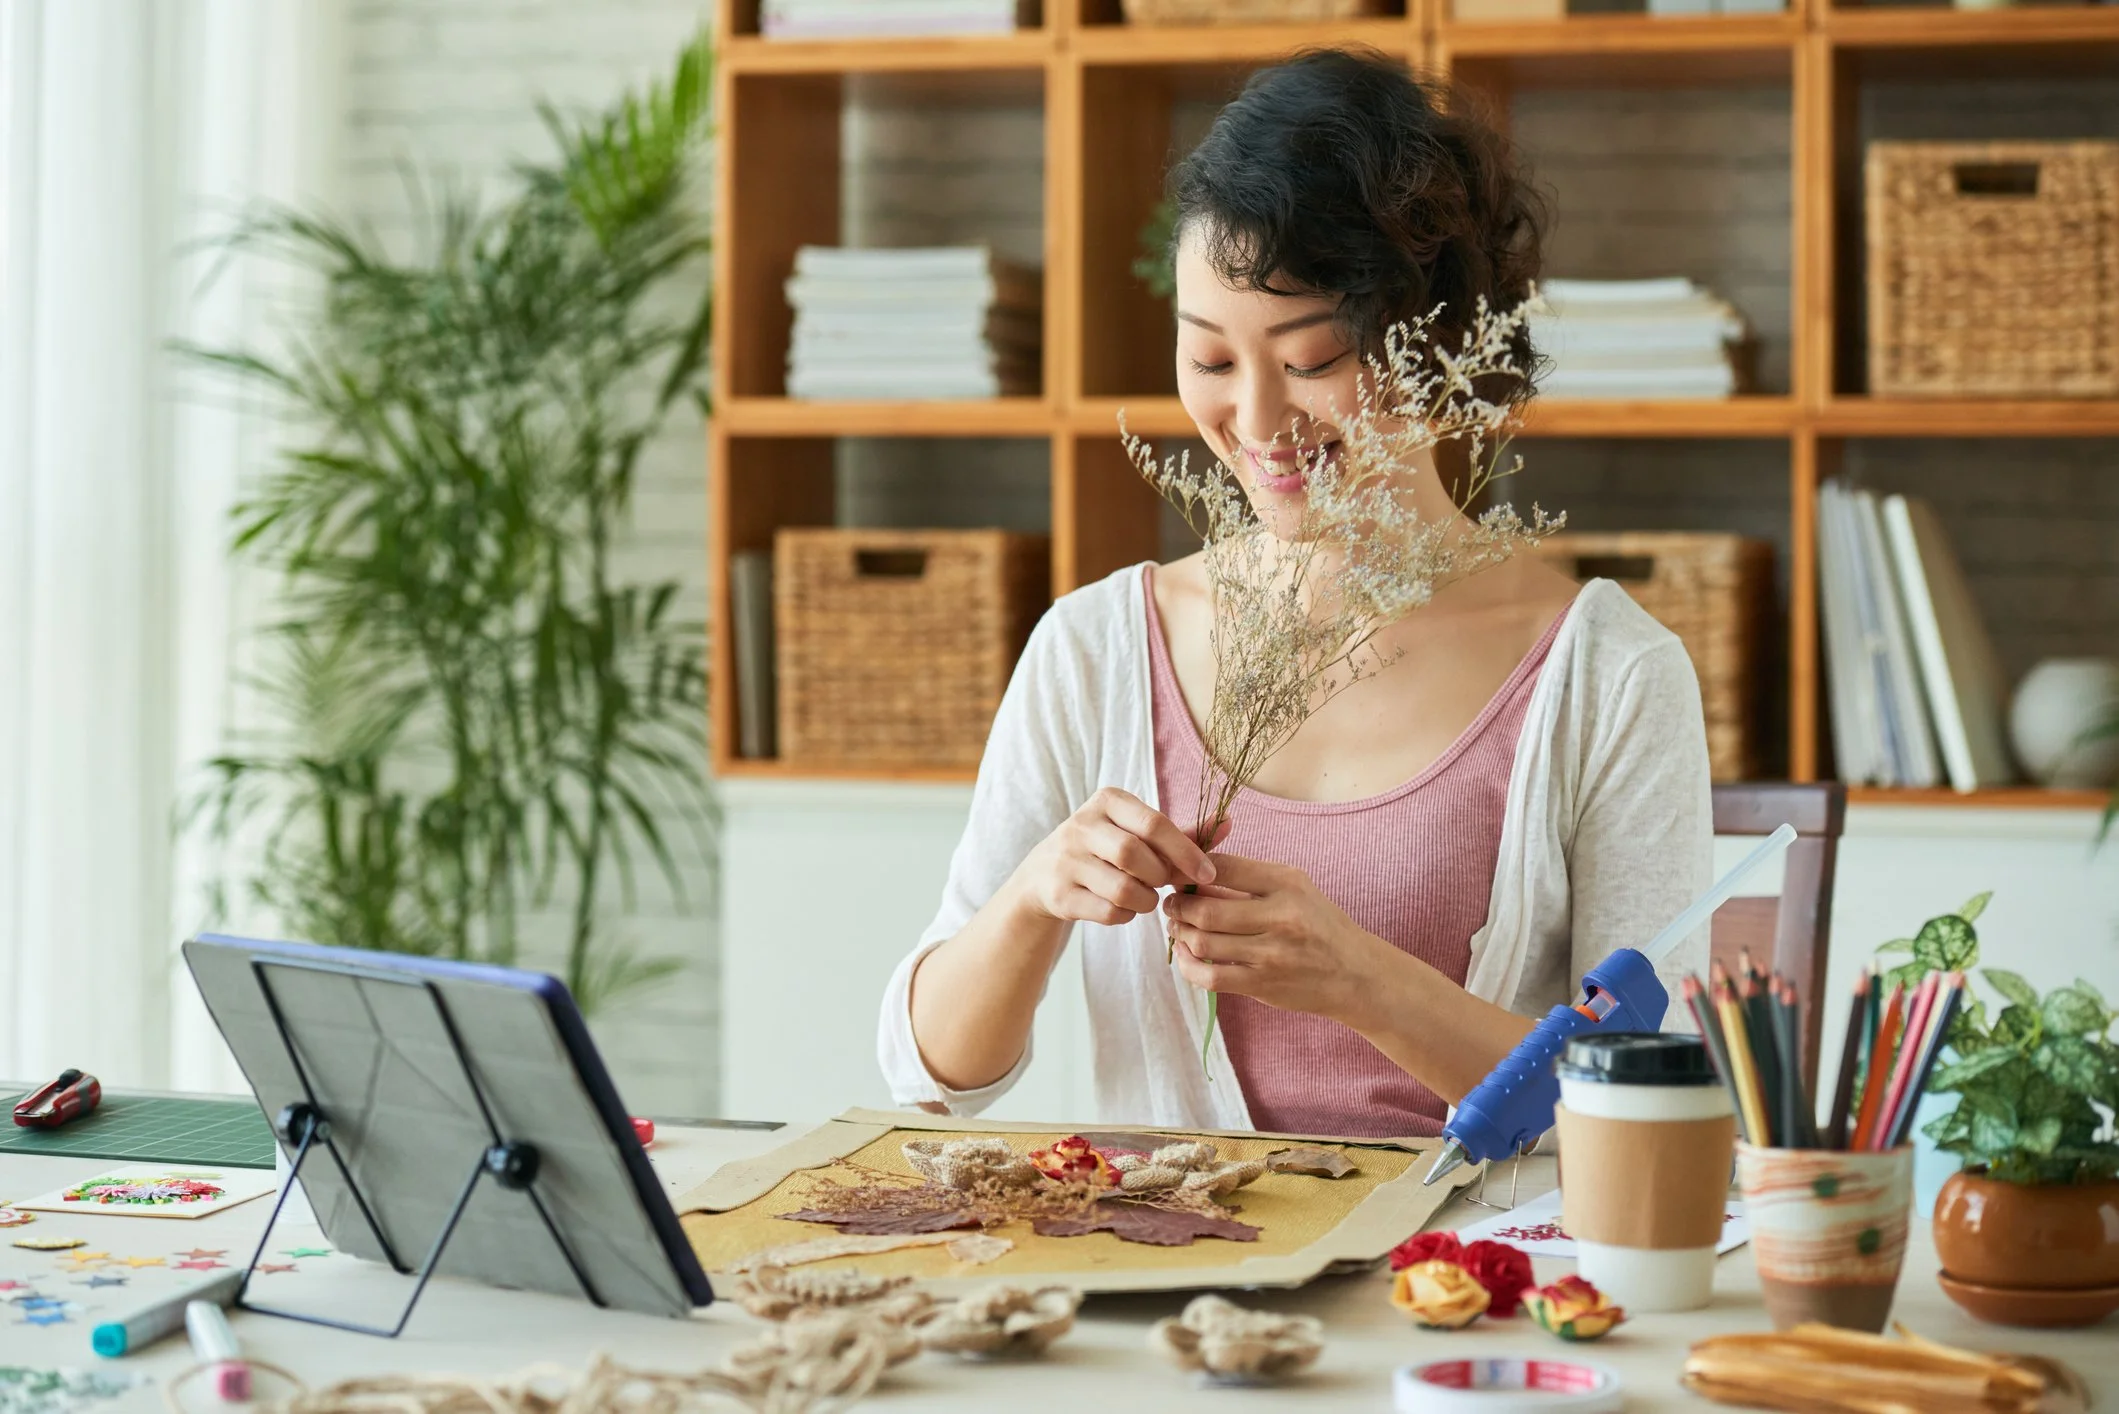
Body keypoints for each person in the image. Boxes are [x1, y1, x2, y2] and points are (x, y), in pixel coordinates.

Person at [876, 47, 1712, 1136]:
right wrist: (1037, 894)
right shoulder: (1098, 649)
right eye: (1212, 364)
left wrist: (1363, 980)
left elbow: (1648, 1103)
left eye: (1312, 359)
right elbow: (934, 1074)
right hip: (1173, 1289)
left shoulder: (1604, 673)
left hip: (1467, 1292)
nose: (1259, 423)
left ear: (1440, 346)